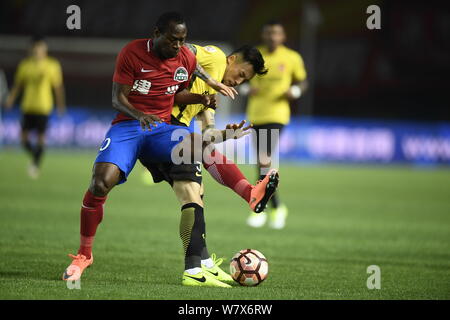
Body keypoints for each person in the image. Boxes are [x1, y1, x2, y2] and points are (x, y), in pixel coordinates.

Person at [62, 12, 244, 288]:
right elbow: (117, 98)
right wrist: (139, 114)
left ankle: (240, 202)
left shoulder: (183, 56)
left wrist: (209, 88)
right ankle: (84, 255)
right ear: (156, 33)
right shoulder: (132, 52)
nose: (177, 46)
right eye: (172, 40)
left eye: (182, 41)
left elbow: (191, 71)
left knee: (197, 148)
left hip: (161, 129)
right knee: (100, 184)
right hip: (128, 126)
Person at [148, 43, 279, 215]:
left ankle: (250, 195)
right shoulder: (217, 58)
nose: (238, 82)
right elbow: (184, 49)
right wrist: (209, 81)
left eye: (244, 81)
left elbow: (207, 134)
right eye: (240, 74)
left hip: (172, 132)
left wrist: (228, 134)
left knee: (197, 195)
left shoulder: (211, 96)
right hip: (157, 123)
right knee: (199, 161)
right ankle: (249, 193)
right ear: (231, 60)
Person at [244, 21, 308, 229]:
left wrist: (295, 91)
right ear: (263, 35)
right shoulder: (254, 55)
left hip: (277, 114)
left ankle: (259, 208)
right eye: (269, 33)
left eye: (276, 33)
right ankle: (277, 207)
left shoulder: (291, 57)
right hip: (255, 114)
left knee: (265, 159)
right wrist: (245, 89)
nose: (272, 37)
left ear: (283, 36)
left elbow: (302, 81)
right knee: (262, 162)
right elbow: (240, 77)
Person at [4, 35, 65, 178]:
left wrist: (61, 105)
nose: (38, 50)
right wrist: (11, 99)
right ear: (32, 49)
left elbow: (58, 87)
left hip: (44, 107)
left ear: (45, 49)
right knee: (23, 140)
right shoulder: (25, 65)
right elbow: (18, 85)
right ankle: (36, 157)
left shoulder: (52, 65)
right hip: (27, 106)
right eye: (36, 48)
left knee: (41, 138)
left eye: (41, 47)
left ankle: (35, 164)